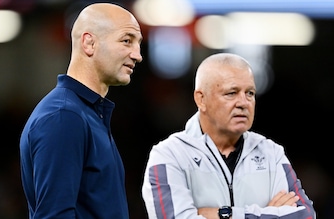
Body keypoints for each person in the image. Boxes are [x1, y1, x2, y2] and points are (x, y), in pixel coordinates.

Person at [141, 53, 316, 219]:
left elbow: (305, 215)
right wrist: (269, 213)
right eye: (231, 93)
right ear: (201, 99)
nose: (243, 103)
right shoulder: (169, 155)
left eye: (250, 93)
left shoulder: (272, 153)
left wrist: (223, 214)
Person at [19, 3, 143, 218]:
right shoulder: (64, 117)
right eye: (126, 41)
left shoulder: (87, 113)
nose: (137, 55)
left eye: (138, 44)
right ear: (89, 43)